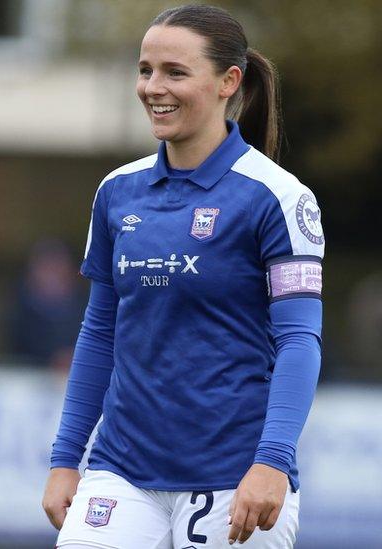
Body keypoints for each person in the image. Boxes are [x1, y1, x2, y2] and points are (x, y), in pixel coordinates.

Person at [41, 5, 324, 548]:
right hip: (121, 470)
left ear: (228, 82)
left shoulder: (279, 197)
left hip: (234, 476)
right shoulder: (116, 193)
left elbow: (299, 339)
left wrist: (272, 462)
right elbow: (100, 332)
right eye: (145, 70)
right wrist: (64, 458)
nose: (153, 87)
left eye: (175, 72)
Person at [2, 239, 86, 375]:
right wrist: (51, 360)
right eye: (46, 269)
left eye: (57, 268)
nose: (52, 276)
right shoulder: (18, 311)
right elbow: (15, 353)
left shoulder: (90, 307)